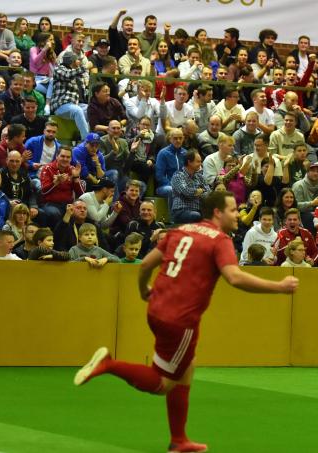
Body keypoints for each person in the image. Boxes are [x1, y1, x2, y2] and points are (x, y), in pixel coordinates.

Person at [75, 190, 298, 453]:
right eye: (232, 209)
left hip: (157, 309)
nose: (237, 213)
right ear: (217, 212)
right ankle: (109, 364)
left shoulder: (180, 230)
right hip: (180, 320)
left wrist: (143, 290)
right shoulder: (220, 240)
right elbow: (235, 278)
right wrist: (279, 287)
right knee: (163, 383)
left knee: (186, 367)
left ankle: (179, 440)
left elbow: (146, 264)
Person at [171, 150, 210, 224]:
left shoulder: (200, 177)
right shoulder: (178, 176)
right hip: (181, 211)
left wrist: (199, 192)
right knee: (197, 216)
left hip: (198, 210)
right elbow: (186, 192)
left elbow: (208, 193)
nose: (200, 164)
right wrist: (199, 191)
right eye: (198, 161)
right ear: (189, 162)